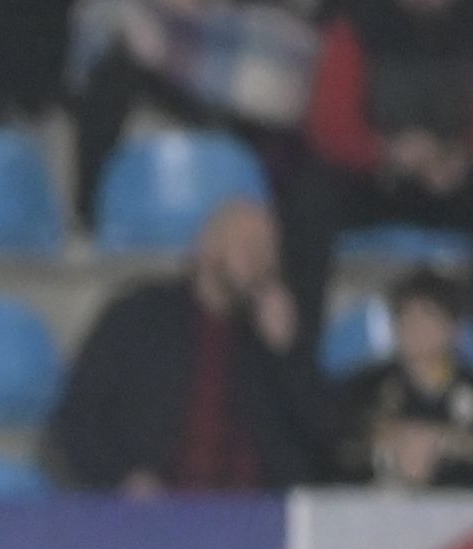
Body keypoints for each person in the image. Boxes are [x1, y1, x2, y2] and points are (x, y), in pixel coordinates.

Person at [50, 193, 334, 492]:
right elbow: (79, 418)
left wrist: (287, 356)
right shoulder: (141, 315)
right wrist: (123, 478)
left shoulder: (277, 340)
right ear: (207, 246)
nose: (261, 260)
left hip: (257, 517)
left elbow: (323, 442)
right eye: (249, 246)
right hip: (158, 515)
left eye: (269, 250)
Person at [343, 265, 473, 486]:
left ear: (455, 329)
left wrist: (440, 446)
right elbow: (341, 456)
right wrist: (393, 446)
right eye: (407, 316)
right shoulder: (364, 389)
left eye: (429, 317)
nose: (416, 327)